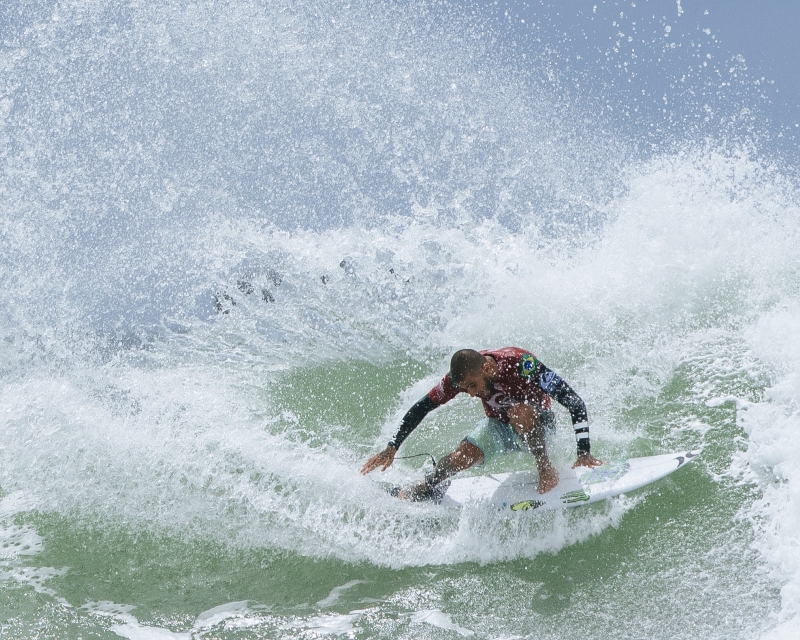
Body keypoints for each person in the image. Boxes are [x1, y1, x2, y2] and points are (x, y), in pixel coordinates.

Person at [360, 347, 603, 500]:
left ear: (487, 368)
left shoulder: (520, 364)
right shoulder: (460, 378)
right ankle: (427, 486)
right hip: (499, 427)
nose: (472, 394)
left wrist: (584, 451)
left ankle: (545, 468)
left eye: (473, 386)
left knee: (519, 411)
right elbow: (424, 406)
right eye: (465, 389)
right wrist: (393, 445)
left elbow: (573, 400)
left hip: (539, 425)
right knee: (460, 457)